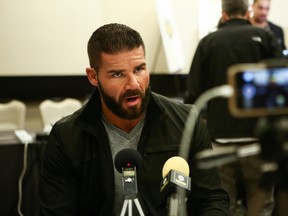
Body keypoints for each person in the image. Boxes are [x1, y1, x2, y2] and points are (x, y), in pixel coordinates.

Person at [39, 23, 230, 216]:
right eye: (118, 74)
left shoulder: (186, 122)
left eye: (139, 69)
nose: (133, 84)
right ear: (93, 77)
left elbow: (211, 200)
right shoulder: (67, 138)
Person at [184, 0, 284, 215]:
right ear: (248, 12)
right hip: (258, 139)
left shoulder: (207, 43)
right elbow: (280, 83)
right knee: (262, 206)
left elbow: (194, 91)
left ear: (224, 14)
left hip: (220, 139)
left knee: (221, 203)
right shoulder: (265, 37)